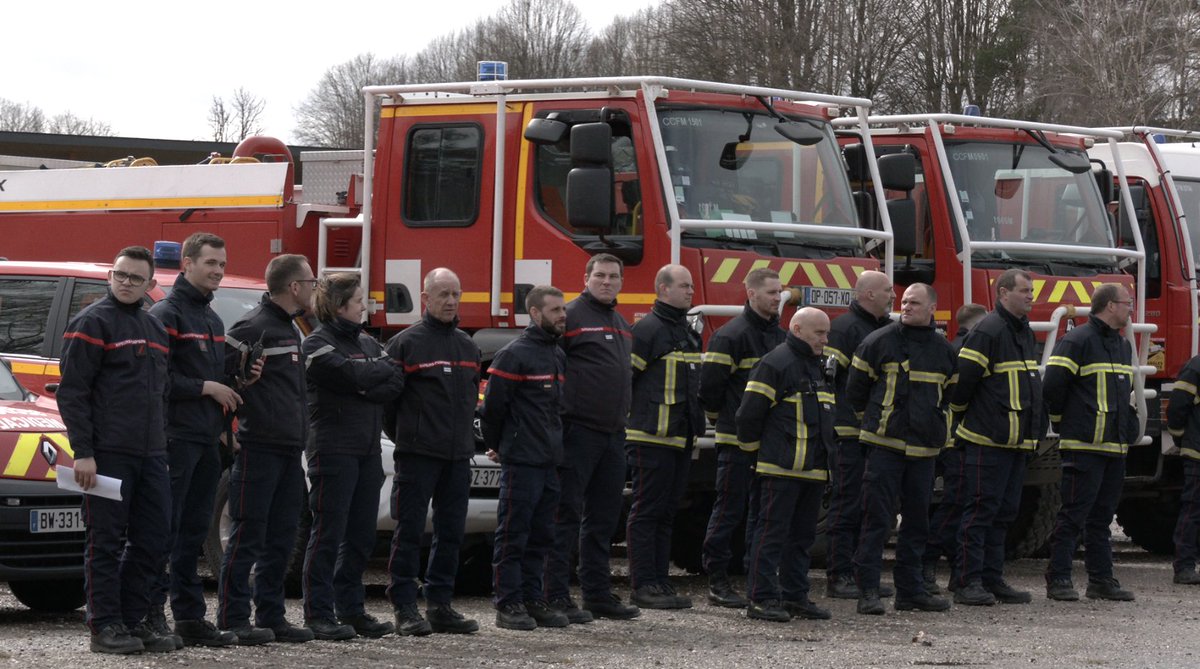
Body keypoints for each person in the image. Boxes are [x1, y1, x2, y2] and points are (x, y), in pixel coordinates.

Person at [58, 246, 174, 654]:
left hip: (151, 454)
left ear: (150, 284)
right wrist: (83, 452)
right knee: (104, 541)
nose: (126, 283)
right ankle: (104, 626)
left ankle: (130, 619)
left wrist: (161, 445)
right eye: (121, 275)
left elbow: (161, 395)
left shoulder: (155, 329)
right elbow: (73, 393)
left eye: (135, 278)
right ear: (111, 275)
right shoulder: (91, 323)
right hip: (106, 454)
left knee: (153, 538)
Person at [147, 233, 241, 649]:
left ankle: (188, 617)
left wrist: (231, 398)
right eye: (210, 263)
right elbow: (158, 379)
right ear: (186, 264)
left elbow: (220, 382)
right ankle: (151, 615)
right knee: (162, 530)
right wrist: (205, 388)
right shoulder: (166, 314)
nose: (218, 271)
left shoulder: (212, 319)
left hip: (206, 441)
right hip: (174, 438)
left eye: (222, 264)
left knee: (193, 532)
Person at [217, 253, 317, 644]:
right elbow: (226, 383)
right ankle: (233, 617)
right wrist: (230, 433)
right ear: (294, 287)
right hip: (259, 449)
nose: (313, 288)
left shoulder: (290, 328)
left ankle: (272, 615)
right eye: (310, 282)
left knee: (283, 536)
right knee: (248, 536)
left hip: (289, 451)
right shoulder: (252, 328)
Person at [300, 274, 405, 639]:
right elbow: (343, 374)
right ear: (341, 304)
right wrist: (365, 380)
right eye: (360, 300)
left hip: (366, 450)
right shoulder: (316, 343)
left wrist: (362, 383)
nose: (366, 306)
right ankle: (317, 612)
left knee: (360, 536)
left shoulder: (367, 341)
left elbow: (394, 379)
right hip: (332, 450)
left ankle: (351, 609)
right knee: (328, 532)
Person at [847, 283, 956, 615]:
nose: (906, 306)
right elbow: (855, 394)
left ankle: (909, 592)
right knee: (876, 520)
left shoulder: (945, 350)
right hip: (884, 447)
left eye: (915, 302)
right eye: (904, 301)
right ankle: (867, 591)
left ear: (932, 308)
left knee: (917, 523)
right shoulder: (878, 342)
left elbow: (948, 398)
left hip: (923, 452)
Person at [384, 268, 481, 636]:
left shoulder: (467, 345)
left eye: (456, 294)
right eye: (443, 294)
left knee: (452, 532)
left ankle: (440, 604)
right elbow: (389, 405)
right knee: (408, 531)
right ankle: (405, 606)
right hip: (417, 454)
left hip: (457, 456)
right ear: (425, 298)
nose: (451, 301)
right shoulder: (406, 344)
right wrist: (410, 437)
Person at [544, 253, 641, 622]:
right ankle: (554, 593)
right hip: (577, 431)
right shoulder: (569, 318)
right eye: (599, 275)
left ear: (621, 282)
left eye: (613, 276)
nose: (606, 281)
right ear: (585, 278)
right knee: (565, 513)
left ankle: (597, 593)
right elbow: (551, 370)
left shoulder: (621, 323)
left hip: (614, 433)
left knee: (603, 518)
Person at [950, 268, 1046, 606]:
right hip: (986, 443)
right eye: (1024, 291)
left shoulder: (1023, 332)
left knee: (1004, 514)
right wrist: (969, 420)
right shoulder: (988, 330)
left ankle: (991, 578)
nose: (1030, 296)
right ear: (1003, 293)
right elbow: (961, 386)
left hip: (1014, 445)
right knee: (978, 513)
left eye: (1031, 291)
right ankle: (966, 582)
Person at [1042, 283, 1138, 602]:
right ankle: (1058, 579)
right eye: (1127, 303)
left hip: (1114, 448)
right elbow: (1053, 387)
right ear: (1110, 305)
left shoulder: (1122, 346)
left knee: (1101, 518)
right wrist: (1066, 421)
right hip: (1083, 445)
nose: (1130, 309)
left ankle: (1100, 580)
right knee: (1073, 514)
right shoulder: (1077, 340)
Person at [737, 307, 833, 622]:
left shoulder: (815, 366)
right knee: (770, 536)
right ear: (796, 328)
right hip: (779, 470)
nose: (825, 339)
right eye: (818, 332)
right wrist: (757, 457)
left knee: (802, 539)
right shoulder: (776, 363)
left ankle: (795, 596)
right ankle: (762, 598)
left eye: (826, 333)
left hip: (813, 471)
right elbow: (748, 416)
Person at [481, 286, 569, 631]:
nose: (563, 315)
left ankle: (533, 598)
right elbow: (492, 410)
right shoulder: (514, 354)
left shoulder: (556, 353)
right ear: (535, 314)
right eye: (556, 310)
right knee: (513, 534)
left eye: (563, 309)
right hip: (522, 460)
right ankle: (508, 603)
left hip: (549, 460)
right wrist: (502, 446)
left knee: (542, 534)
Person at [699, 268, 785, 608]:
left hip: (769, 443)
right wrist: (725, 422)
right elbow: (710, 391)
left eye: (779, 292)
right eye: (770, 293)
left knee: (762, 514)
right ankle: (717, 579)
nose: (777, 298)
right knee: (728, 511)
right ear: (750, 293)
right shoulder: (729, 336)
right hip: (735, 442)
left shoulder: (778, 337)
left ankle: (756, 578)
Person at [625, 264, 705, 609]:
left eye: (691, 287)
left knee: (667, 512)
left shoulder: (686, 331)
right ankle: (643, 584)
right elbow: (625, 379)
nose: (690, 292)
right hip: (650, 436)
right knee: (647, 511)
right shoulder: (648, 330)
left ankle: (660, 581)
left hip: (680, 436)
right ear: (663, 288)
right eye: (684, 286)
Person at [823, 270, 894, 599]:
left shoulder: (886, 330)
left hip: (874, 434)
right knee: (847, 505)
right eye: (887, 290)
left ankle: (862, 574)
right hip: (848, 433)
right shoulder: (844, 330)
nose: (893, 295)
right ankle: (839, 576)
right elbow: (828, 381)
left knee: (872, 507)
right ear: (868, 295)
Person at [923, 302, 987, 593]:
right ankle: (929, 560)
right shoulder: (967, 349)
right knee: (955, 505)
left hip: (946, 437)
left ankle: (938, 562)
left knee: (955, 505)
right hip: (956, 439)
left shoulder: (953, 346)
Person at [1167, 352, 1200, 586]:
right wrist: (1181, 438)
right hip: (1198, 454)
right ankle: (1184, 567)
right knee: (1193, 510)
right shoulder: (1196, 367)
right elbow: (1177, 405)